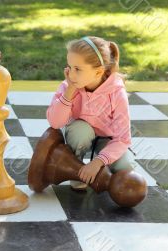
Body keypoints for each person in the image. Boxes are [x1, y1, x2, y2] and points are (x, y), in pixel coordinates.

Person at [46, 36, 137, 191]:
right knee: (81, 129)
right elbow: (55, 123)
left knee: (126, 167)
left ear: (98, 72)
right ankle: (76, 169)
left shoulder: (116, 92)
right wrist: (69, 91)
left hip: (108, 140)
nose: (71, 75)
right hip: (80, 136)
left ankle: (100, 170)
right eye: (70, 67)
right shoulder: (69, 85)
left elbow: (123, 138)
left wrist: (98, 162)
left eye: (77, 69)